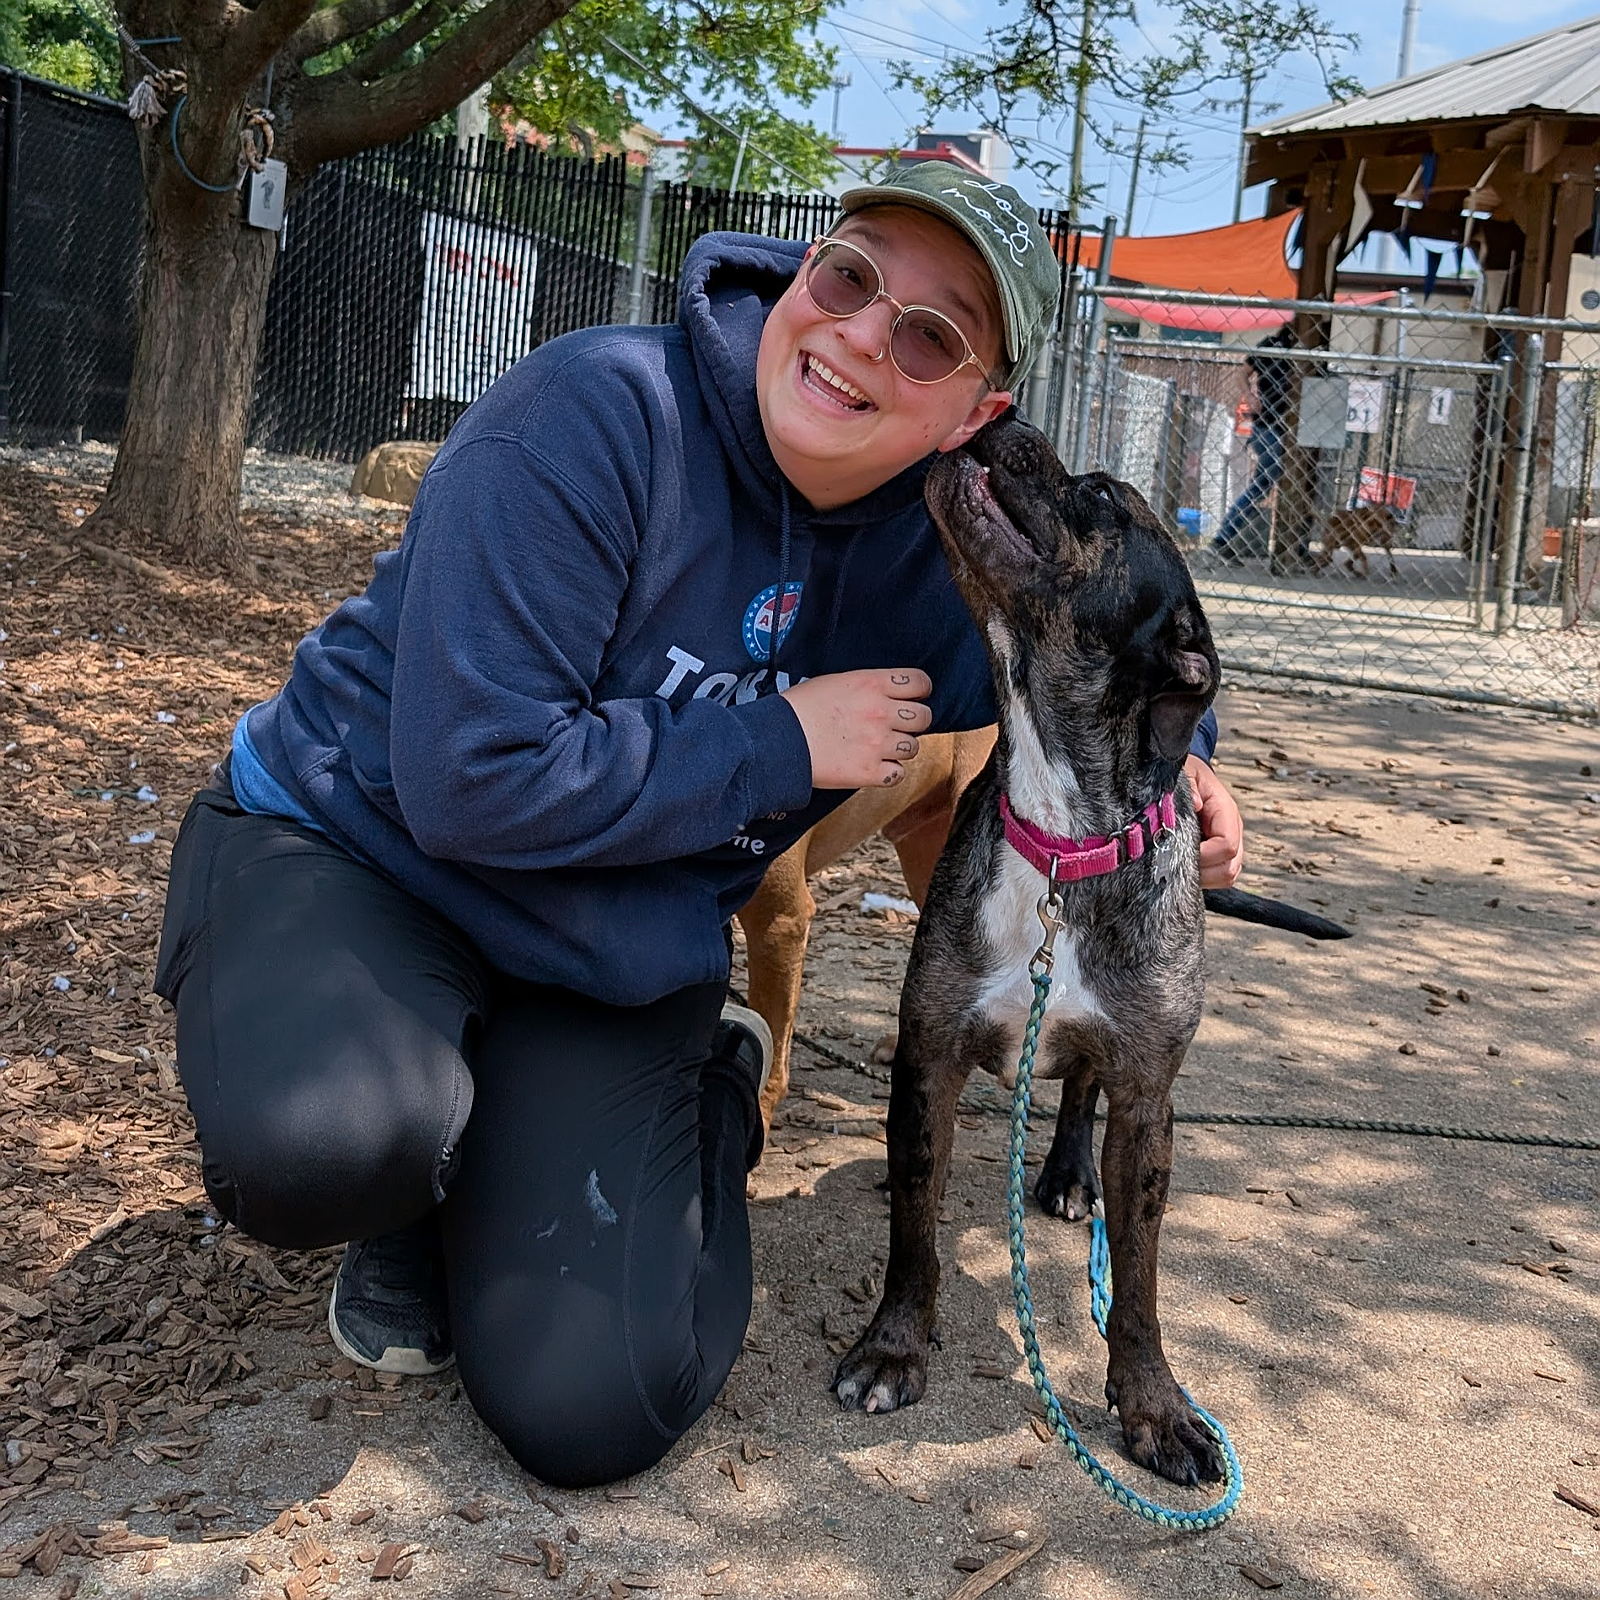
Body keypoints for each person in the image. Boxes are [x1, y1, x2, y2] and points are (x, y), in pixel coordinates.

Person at [153, 164, 1245, 1489]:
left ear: (976, 414)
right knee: (322, 1144)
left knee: (597, 1405)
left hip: (599, 942)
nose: (862, 333)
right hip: (360, 855)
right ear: (801, 273)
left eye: (928, 336)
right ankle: (416, 1167)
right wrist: (781, 739)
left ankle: (694, 1093)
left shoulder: (940, 558)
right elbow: (466, 780)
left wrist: (1187, 768)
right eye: (849, 276)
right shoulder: (593, 414)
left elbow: (1107, 649)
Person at [1212, 323, 1297, 562]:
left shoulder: (1304, 351)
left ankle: (1224, 538)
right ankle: (1222, 538)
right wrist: (1249, 396)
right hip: (1268, 424)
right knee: (1263, 483)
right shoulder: (1272, 346)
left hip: (1282, 426)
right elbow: (1242, 373)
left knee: (1265, 484)